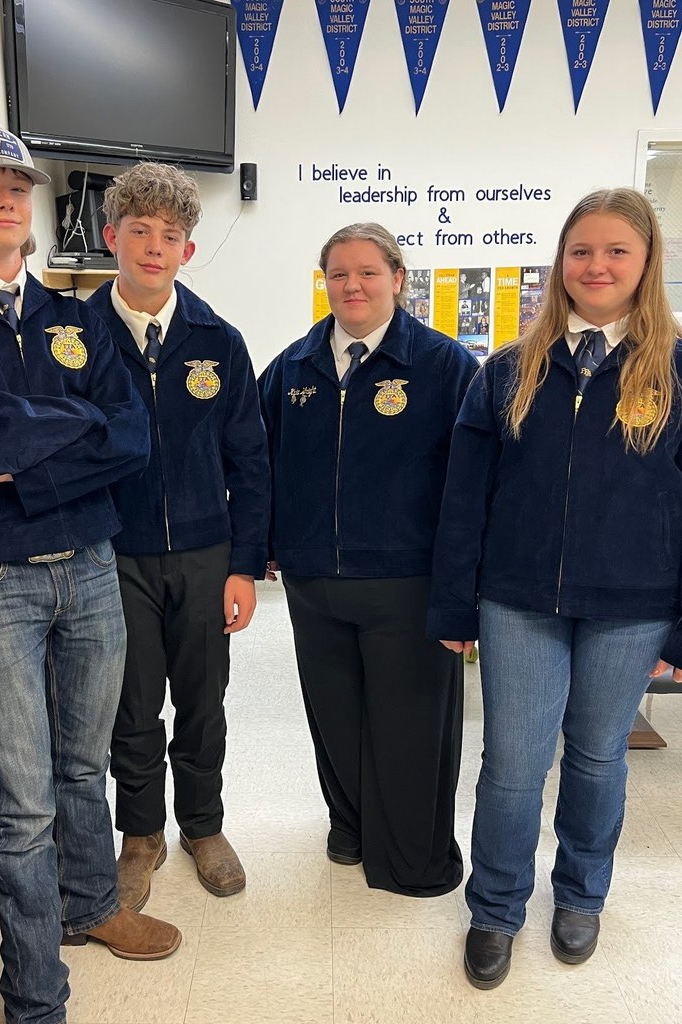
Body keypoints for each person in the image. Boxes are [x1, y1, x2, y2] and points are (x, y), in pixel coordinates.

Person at [0, 124, 182, 1024]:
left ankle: (92, 906)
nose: (5, 199)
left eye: (18, 186)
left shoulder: (73, 316)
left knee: (82, 766)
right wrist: (69, 433)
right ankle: (35, 992)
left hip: (92, 571)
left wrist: (19, 452)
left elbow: (132, 438)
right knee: (21, 802)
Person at [428, 188, 682, 989]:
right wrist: (453, 603)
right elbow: (464, 498)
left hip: (632, 606)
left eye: (616, 251)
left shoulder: (675, 369)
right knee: (512, 764)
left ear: (646, 264)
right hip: (518, 599)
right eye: (582, 251)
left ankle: (581, 895)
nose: (597, 266)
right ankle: (496, 907)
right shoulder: (509, 370)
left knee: (601, 758)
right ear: (560, 262)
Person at [258, 223, 477, 896]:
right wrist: (260, 548)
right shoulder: (294, 367)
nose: (352, 286)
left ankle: (412, 857)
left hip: (407, 584)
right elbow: (258, 460)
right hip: (315, 580)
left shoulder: (445, 367)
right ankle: (348, 826)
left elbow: (472, 485)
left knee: (408, 726)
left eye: (368, 272)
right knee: (335, 715)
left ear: (398, 278)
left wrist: (462, 588)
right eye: (338, 274)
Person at [87, 162, 269, 906]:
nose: (154, 248)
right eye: (140, 232)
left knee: (202, 699)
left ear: (188, 251)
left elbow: (251, 461)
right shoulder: (75, 338)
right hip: (112, 555)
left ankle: (203, 824)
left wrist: (244, 566)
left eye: (171, 236)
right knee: (131, 708)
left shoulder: (218, 342)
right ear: (112, 238)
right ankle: (140, 834)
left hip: (203, 554)